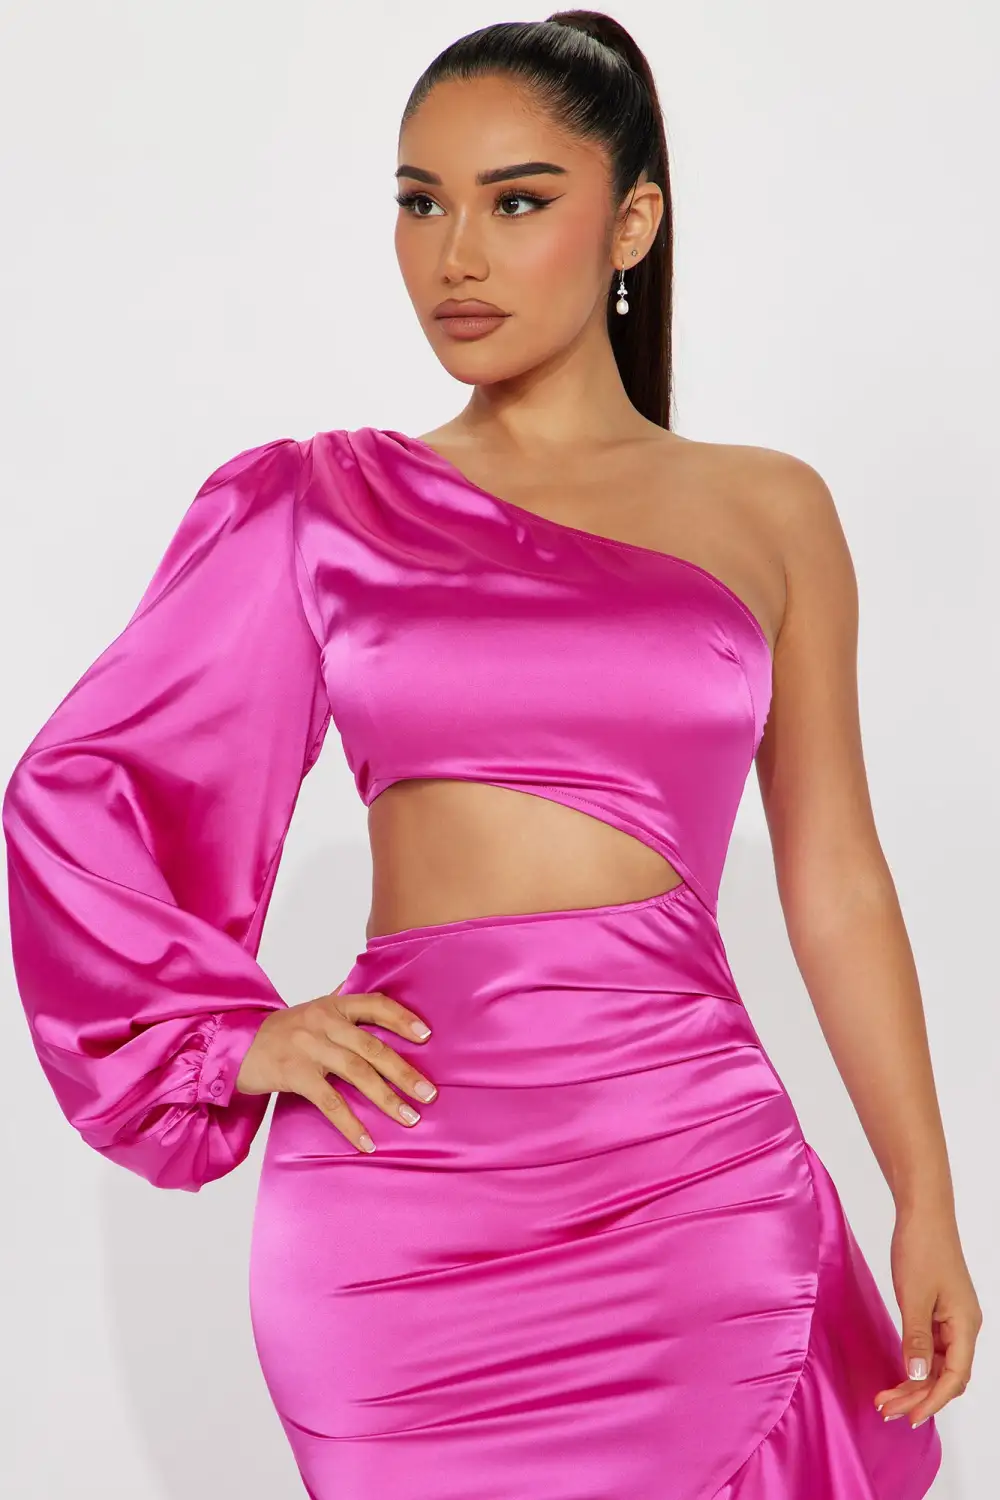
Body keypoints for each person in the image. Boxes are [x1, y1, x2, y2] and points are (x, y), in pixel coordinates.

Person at [1, 11, 979, 1499]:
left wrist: (926, 1194)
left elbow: (834, 873)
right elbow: (81, 789)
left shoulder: (771, 511)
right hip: (401, 1201)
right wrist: (229, 1033)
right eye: (421, 202)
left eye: (516, 202)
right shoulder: (318, 506)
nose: (454, 256)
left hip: (690, 1175)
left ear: (631, 224)